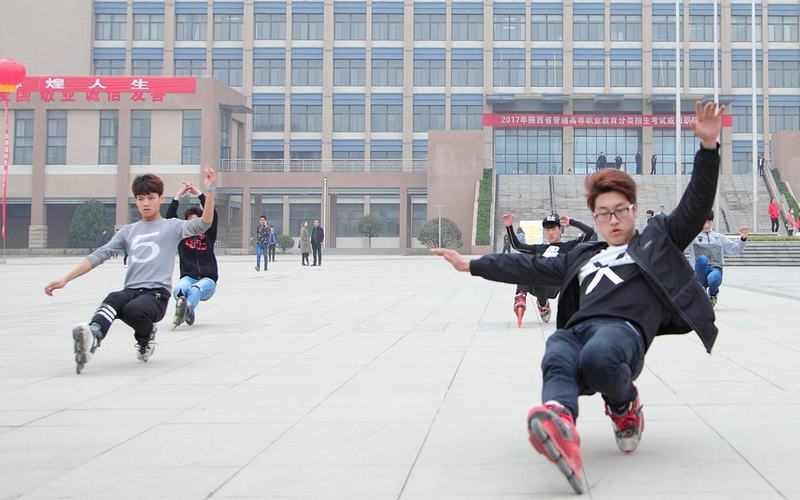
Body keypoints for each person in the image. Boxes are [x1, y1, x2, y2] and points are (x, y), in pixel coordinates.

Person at [432, 101, 724, 494]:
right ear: (595, 217)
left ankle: (625, 407)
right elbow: (527, 266)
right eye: (604, 213)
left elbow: (695, 204)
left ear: (634, 210)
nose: (613, 220)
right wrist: (472, 264)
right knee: (557, 351)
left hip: (624, 333)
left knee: (599, 355)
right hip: (580, 330)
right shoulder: (583, 255)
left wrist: (708, 149)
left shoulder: (656, 242)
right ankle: (559, 422)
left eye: (620, 210)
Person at [44, 168, 217, 374]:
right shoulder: (128, 231)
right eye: (141, 198)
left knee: (134, 310)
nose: (146, 203)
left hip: (156, 295)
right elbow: (100, 254)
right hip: (131, 290)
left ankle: (145, 338)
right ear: (136, 201)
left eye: (151, 198)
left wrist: (210, 191)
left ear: (161, 199)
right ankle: (93, 334)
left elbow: (205, 222)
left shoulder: (173, 227)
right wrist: (65, 279)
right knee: (114, 298)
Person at [505, 213, 595, 326]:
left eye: (553, 229)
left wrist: (572, 222)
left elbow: (589, 232)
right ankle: (523, 297)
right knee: (526, 266)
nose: (551, 232)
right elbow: (517, 246)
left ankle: (542, 304)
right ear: (544, 231)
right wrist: (509, 226)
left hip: (554, 286)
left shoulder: (569, 246)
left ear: (560, 230)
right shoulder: (539, 248)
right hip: (538, 284)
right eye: (547, 230)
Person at [166, 181, 220, 329]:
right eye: (190, 222)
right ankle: (187, 310)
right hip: (188, 277)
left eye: (197, 221)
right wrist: (178, 195)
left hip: (207, 280)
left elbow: (212, 213)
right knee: (179, 291)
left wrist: (199, 194)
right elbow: (170, 219)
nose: (194, 225)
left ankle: (187, 309)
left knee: (196, 289)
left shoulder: (208, 234)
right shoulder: (182, 235)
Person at [688, 212, 748, 308]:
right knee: (702, 259)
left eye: (709, 222)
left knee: (713, 279)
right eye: (703, 222)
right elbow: (678, 245)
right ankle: (700, 290)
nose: (706, 225)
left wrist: (743, 239)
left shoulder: (719, 237)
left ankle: (713, 295)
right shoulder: (692, 237)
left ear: (712, 222)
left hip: (715, 268)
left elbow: (735, 249)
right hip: (699, 271)